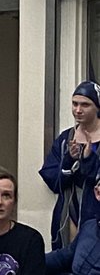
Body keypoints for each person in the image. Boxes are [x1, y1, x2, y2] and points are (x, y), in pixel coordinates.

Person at [39, 81, 100, 248]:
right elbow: (52, 180)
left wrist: (88, 159)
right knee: (64, 255)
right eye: (75, 104)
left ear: (97, 107)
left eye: (85, 105)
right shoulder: (65, 139)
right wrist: (69, 161)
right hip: (68, 213)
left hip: (95, 213)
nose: (78, 110)